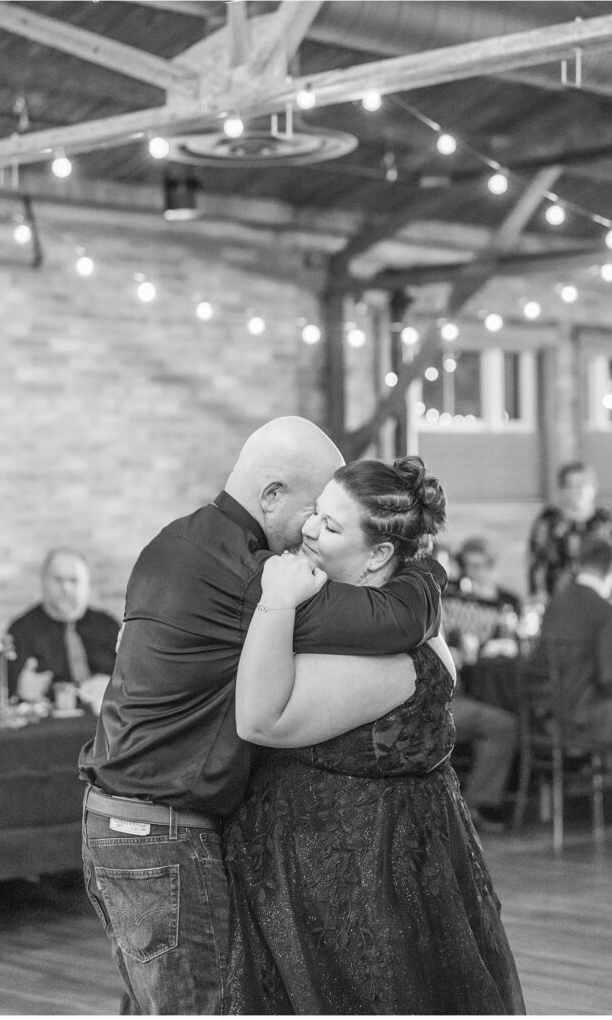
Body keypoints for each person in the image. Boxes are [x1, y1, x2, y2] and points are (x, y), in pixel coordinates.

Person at [78, 418, 448, 1016]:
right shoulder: (247, 575)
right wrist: (426, 565)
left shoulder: (177, 540)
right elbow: (391, 621)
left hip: (124, 827)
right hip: (160, 834)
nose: (310, 528)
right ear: (272, 495)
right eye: (312, 508)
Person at [224, 456, 525, 1015]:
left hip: (355, 886)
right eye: (316, 513)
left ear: (380, 555)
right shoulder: (384, 611)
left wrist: (276, 601)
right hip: (331, 865)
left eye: (332, 527)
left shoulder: (392, 654)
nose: (310, 529)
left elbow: (261, 719)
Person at [442, 536, 521, 831]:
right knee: (500, 722)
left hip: (473, 682)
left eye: (479, 566)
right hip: (453, 692)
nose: (472, 573)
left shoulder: (506, 602)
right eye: (467, 566)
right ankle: (477, 804)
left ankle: (481, 802)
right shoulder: (450, 598)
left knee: (499, 716)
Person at [535, 536, 612, 747]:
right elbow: (610, 679)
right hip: (585, 717)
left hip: (549, 717)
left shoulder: (554, 604)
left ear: (579, 563)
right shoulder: (608, 613)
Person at [7, 548, 120, 713]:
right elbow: (5, 694)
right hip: (48, 731)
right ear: (44, 582)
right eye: (58, 580)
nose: (66, 588)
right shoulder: (22, 630)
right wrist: (19, 691)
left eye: (74, 581)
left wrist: (114, 686)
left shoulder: (108, 626)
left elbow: (139, 680)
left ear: (87, 584)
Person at [528, 461, 612, 601]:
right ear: (561, 490)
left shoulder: (606, 522)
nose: (578, 491)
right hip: (558, 602)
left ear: (594, 486)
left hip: (600, 602)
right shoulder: (548, 522)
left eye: (583, 485)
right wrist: (538, 596)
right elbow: (536, 562)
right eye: (570, 486)